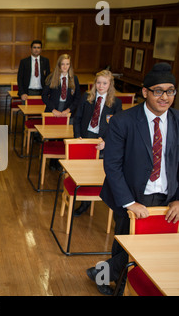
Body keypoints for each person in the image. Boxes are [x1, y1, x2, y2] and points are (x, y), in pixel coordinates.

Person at [86, 62, 179, 296]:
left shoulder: (178, 121)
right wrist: (129, 202)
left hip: (168, 197)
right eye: (158, 90)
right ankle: (112, 283)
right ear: (145, 92)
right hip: (131, 195)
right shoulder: (123, 121)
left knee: (157, 246)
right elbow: (112, 165)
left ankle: (102, 274)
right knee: (126, 242)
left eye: (170, 90)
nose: (165, 96)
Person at [72, 70, 123, 216]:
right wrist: (77, 137)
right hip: (86, 136)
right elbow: (77, 119)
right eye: (98, 82)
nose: (101, 86)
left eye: (104, 83)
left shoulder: (115, 103)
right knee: (84, 169)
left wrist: (107, 142)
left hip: (102, 140)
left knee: (96, 171)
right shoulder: (87, 97)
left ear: (110, 85)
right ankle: (84, 202)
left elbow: (118, 128)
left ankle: (97, 199)